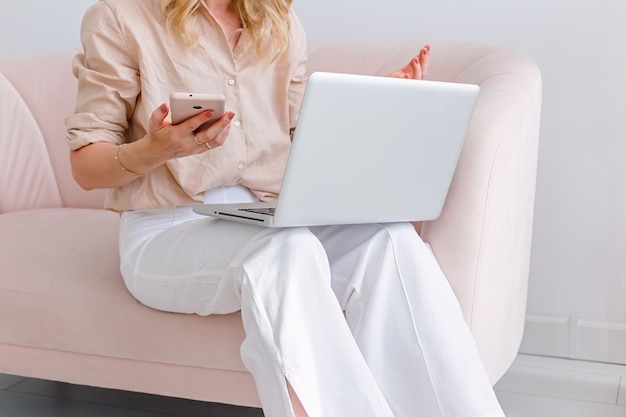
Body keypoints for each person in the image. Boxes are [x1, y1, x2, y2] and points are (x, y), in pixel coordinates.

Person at [66, 1, 505, 416]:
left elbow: (298, 142)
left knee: (390, 237)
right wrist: (154, 150)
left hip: (264, 213)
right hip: (166, 228)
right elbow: (87, 165)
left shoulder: (277, 21)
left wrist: (366, 112)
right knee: (286, 250)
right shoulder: (121, 16)